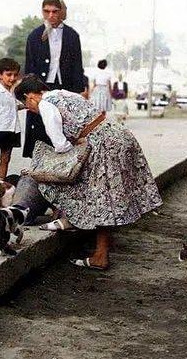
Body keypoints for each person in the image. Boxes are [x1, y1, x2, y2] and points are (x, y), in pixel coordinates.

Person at [14, 74, 162, 270]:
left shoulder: (45, 105)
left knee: (101, 198)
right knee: (103, 195)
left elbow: (59, 144)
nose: (31, 111)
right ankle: (75, 222)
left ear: (29, 96)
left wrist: (66, 152)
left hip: (103, 144)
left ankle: (99, 254)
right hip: (117, 134)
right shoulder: (62, 93)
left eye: (27, 106)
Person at [23, 0, 86, 158]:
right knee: (41, 129)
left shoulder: (72, 36)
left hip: (65, 88)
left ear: (61, 12)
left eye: (55, 11)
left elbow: (77, 66)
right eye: (47, 11)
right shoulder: (34, 36)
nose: (50, 15)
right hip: (41, 88)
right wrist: (30, 92)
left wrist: (79, 92)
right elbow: (30, 67)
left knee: (64, 127)